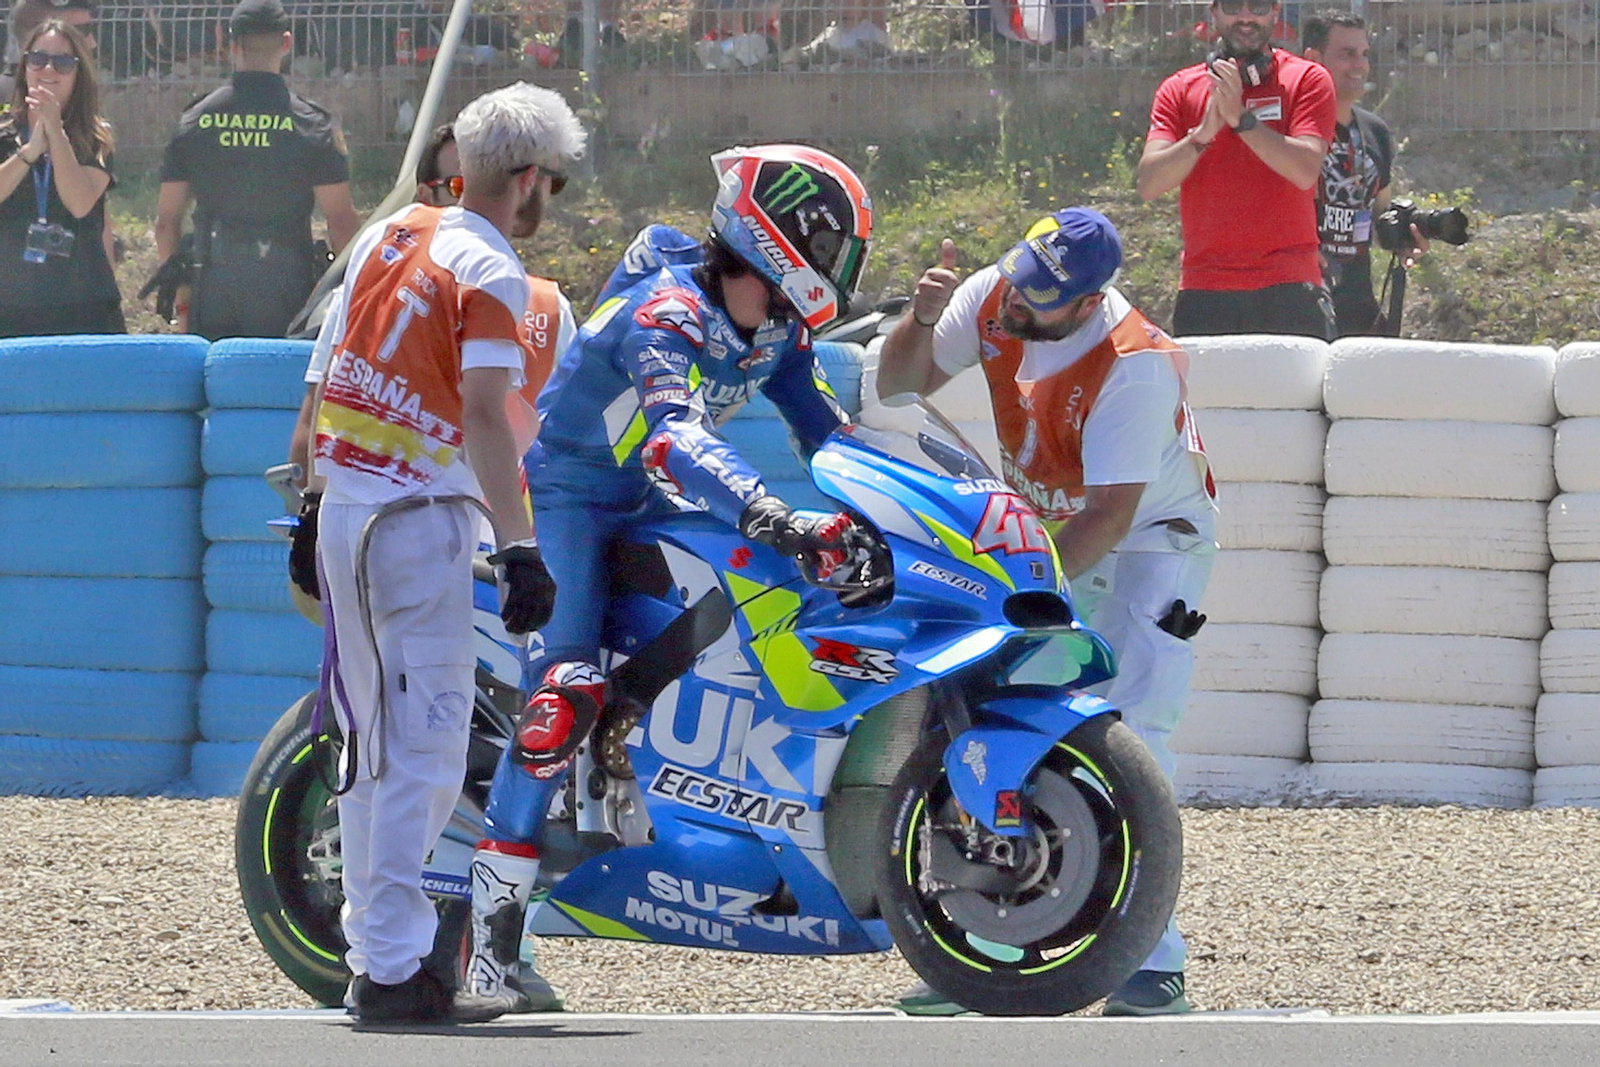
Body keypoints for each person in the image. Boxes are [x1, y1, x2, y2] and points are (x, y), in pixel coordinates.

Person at [456, 143, 884, 1022]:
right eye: (828, 243)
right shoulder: (669, 312)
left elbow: (827, 432)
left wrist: (882, 513)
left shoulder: (776, 327)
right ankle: (490, 950)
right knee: (562, 697)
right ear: (772, 238)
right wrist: (773, 512)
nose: (841, 266)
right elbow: (674, 437)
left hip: (646, 500)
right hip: (571, 496)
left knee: (768, 587)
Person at [876, 209, 1217, 1017]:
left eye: (1041, 294)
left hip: (1147, 544)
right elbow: (898, 384)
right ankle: (981, 948)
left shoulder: (1134, 364)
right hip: (1037, 530)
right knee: (989, 721)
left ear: (1089, 297)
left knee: (1128, 733)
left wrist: (1024, 593)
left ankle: (1152, 962)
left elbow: (1107, 516)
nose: (1017, 301)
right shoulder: (997, 293)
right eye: (1018, 277)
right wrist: (920, 318)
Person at [307, 81, 581, 1025]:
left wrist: (311, 501)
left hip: (346, 508)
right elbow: (482, 415)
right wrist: (521, 547)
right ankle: (398, 969)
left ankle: (378, 955)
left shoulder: (388, 235)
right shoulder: (493, 269)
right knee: (421, 751)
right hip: (418, 522)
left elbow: (336, 361)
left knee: (367, 745)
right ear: (532, 178)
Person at [286, 122, 579, 630]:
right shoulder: (382, 265)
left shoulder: (548, 307)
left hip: (503, 560)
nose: (472, 201)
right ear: (426, 194)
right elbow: (320, 408)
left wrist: (530, 552)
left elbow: (571, 448)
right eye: (458, 186)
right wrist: (313, 509)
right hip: (414, 535)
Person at [153, 0, 360, 341]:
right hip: (288, 285)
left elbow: (165, 222)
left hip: (213, 283)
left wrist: (183, 301)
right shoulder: (312, 124)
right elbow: (341, 221)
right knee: (280, 387)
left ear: (228, 43)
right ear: (287, 43)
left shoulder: (195, 120)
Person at [1137, 0, 1337, 339]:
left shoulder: (1306, 78)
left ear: (1276, 12)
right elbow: (1149, 184)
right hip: (1205, 288)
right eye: (1232, 5)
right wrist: (1201, 135)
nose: (1246, 17)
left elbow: (1305, 170)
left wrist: (1243, 121)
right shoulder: (1179, 88)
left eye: (1257, 6)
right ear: (1214, 13)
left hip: (1288, 284)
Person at [1301, 10, 1427, 337]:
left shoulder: (1375, 132)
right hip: (1296, 305)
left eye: (1364, 54)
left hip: (1358, 306)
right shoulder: (1288, 127)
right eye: (1347, 54)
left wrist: (1404, 235)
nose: (1360, 65)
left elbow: (1378, 213)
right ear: (1313, 59)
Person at [0, 18, 122, 337]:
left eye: (63, 63)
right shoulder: (4, 135)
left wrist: (56, 133)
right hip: (12, 305)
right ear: (24, 67)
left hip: (81, 307)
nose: (48, 71)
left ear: (78, 75)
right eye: (38, 59)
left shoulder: (96, 138)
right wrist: (30, 150)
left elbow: (79, 202)